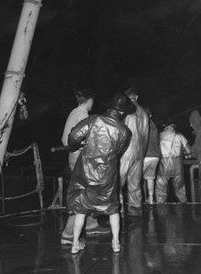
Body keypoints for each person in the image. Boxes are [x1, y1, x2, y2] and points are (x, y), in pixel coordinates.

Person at [67, 92, 134, 254]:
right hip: (107, 176)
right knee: (112, 209)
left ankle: (75, 244)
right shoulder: (125, 132)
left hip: (85, 173)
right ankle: (116, 243)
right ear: (123, 112)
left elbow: (73, 137)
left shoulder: (93, 119)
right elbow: (118, 152)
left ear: (110, 107)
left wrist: (76, 147)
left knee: (81, 209)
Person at [61, 89, 107, 244]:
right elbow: (83, 139)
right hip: (80, 159)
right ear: (89, 100)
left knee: (87, 193)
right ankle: (68, 233)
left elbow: (65, 138)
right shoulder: (82, 115)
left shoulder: (74, 113)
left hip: (75, 158)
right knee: (82, 195)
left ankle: (90, 225)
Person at [119, 87, 149, 216]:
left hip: (126, 151)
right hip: (139, 151)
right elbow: (146, 136)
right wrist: (142, 152)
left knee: (118, 182)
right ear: (136, 97)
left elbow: (120, 132)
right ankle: (135, 210)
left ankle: (118, 210)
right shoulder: (144, 113)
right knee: (135, 183)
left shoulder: (126, 111)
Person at [155, 122, 190, 203]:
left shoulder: (159, 135)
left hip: (163, 166)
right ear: (173, 125)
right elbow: (188, 151)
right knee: (180, 191)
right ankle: (183, 210)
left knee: (161, 192)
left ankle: (161, 211)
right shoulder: (179, 135)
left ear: (164, 125)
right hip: (177, 166)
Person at [143, 109, 161, 204]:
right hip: (156, 156)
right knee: (150, 177)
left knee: (136, 178)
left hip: (146, 155)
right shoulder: (154, 126)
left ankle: (137, 202)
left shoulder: (143, 123)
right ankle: (150, 199)